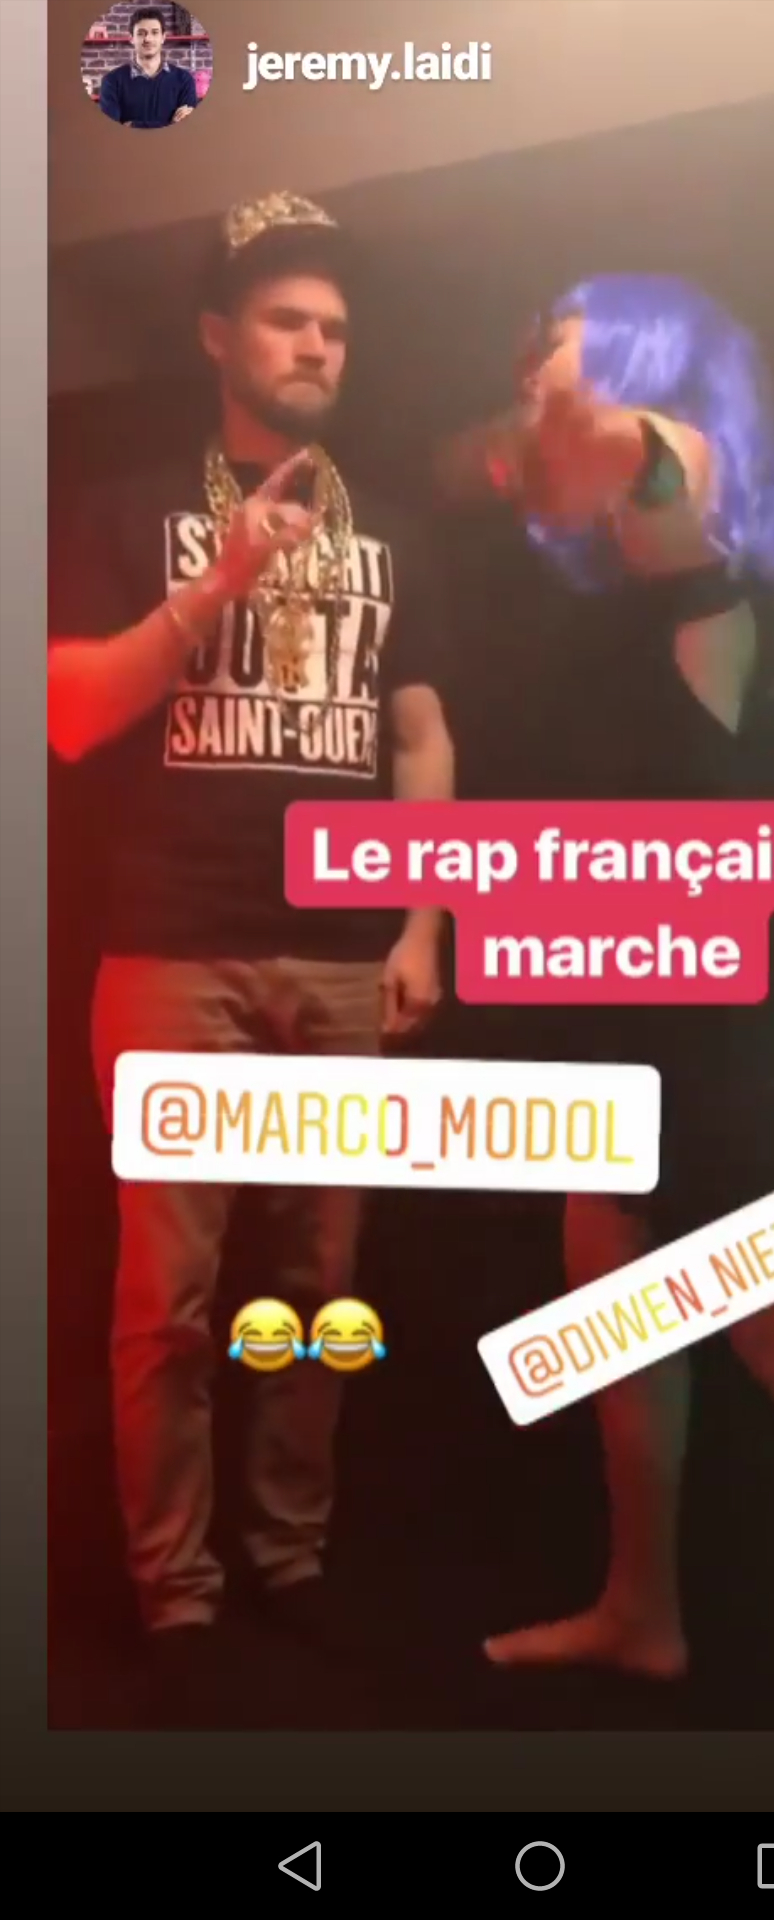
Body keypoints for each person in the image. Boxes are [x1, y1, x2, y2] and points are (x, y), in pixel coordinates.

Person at [436, 274, 774, 1732]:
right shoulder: (678, 544)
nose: (537, 381)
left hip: (699, 1020)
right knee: (616, 1304)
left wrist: (535, 423)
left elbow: (622, 446)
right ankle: (644, 1614)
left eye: (559, 355)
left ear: (633, 364)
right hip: (620, 994)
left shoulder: (671, 472)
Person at [48, 191, 453, 1718]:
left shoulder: (393, 531)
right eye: (287, 319)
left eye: (336, 327)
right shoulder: (125, 507)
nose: (317, 345)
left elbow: (420, 732)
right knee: (169, 1297)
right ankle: (178, 1594)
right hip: (174, 947)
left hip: (342, 957)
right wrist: (216, 580)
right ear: (219, 337)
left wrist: (422, 919)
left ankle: (289, 1558)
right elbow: (69, 711)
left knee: (319, 1281)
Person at [98, 7, 197, 130]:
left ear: (163, 37)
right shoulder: (111, 81)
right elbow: (111, 132)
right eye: (141, 33)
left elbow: (188, 130)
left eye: (154, 32)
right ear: (131, 38)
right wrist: (171, 124)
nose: (148, 39)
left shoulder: (184, 80)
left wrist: (133, 125)